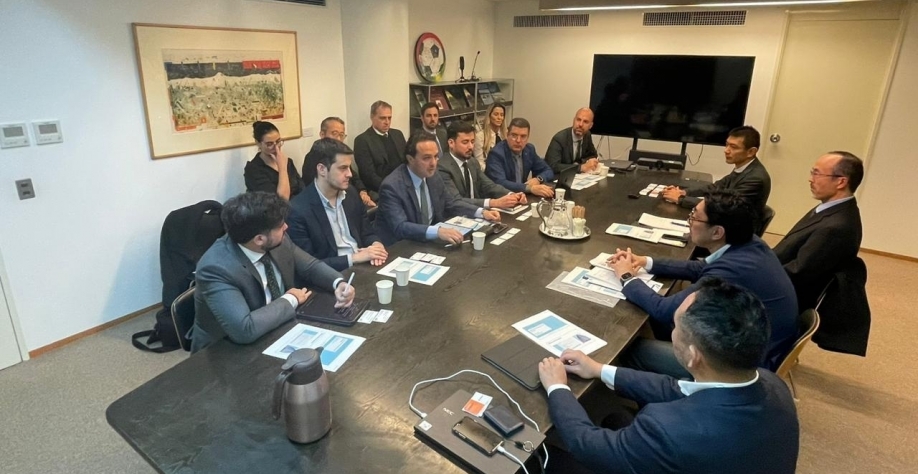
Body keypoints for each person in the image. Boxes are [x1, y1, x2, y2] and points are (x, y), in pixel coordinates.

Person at [538, 278, 799, 474]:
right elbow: (677, 388)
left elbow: (586, 445)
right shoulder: (771, 383)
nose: (673, 332)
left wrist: (558, 388)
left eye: (676, 327)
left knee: (541, 457)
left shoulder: (668, 429)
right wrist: (599, 369)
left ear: (693, 356)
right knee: (616, 418)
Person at [611, 190, 797, 375]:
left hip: (747, 365)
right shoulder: (748, 242)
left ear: (717, 232)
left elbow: (664, 310)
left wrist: (627, 277)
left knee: (631, 351)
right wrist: (645, 261)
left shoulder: (733, 269)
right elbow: (700, 268)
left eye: (694, 217)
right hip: (751, 337)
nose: (689, 222)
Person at [190, 192, 355, 353]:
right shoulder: (216, 268)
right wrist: (291, 299)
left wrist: (338, 282)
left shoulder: (276, 239)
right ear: (259, 239)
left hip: (278, 328)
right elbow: (245, 329)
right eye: (280, 226)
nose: (286, 227)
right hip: (225, 351)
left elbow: (310, 266)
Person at [774, 151, 864, 311]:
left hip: (784, 299)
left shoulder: (836, 227)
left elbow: (798, 273)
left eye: (817, 174)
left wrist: (755, 273)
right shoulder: (832, 209)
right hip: (779, 277)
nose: (811, 179)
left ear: (841, 182)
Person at [376, 132, 501, 245]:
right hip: (400, 246)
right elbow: (400, 227)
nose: (433, 163)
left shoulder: (433, 175)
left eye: (436, 156)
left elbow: (451, 202)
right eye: (426, 158)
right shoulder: (392, 186)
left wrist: (481, 212)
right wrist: (437, 231)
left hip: (429, 242)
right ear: (410, 159)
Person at [287, 138, 387, 272]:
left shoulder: (350, 193)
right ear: (322, 169)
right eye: (343, 168)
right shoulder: (298, 209)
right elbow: (308, 265)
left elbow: (367, 232)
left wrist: (376, 245)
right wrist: (354, 258)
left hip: (364, 265)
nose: (350, 174)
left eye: (349, 167)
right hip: (333, 275)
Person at [661, 125, 771, 214]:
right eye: (727, 145)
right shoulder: (744, 168)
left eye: (733, 147)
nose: (726, 150)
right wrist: (684, 192)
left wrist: (680, 199)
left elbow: (726, 207)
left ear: (751, 152)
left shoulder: (755, 178)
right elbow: (715, 187)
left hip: (736, 229)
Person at [438, 121, 527, 210]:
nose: (470, 147)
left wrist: (512, 195)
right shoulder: (442, 167)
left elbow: (489, 185)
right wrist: (493, 202)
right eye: (465, 142)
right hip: (456, 215)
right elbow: (456, 200)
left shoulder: (472, 162)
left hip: (478, 212)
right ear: (451, 143)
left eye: (472, 142)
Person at [302, 117, 376, 208]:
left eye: (341, 135)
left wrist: (362, 191)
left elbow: (354, 176)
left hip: (349, 195)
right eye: (334, 134)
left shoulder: (341, 155)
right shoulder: (313, 157)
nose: (338, 139)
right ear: (322, 135)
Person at [485, 117, 555, 198]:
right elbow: (500, 182)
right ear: (507, 135)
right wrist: (529, 188)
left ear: (528, 137)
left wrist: (538, 179)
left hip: (521, 197)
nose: (518, 140)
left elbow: (548, 171)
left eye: (523, 136)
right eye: (514, 135)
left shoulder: (529, 150)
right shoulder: (496, 154)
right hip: (500, 198)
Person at [353, 100, 408, 194]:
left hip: (404, 184)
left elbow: (407, 161)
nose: (387, 122)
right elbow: (368, 175)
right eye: (382, 118)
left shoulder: (397, 134)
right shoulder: (362, 140)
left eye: (389, 118)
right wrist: (391, 188)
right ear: (372, 117)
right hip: (381, 189)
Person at [244, 121, 304, 200]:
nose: (276, 147)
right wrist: (282, 168)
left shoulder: (288, 161)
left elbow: (303, 190)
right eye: (269, 144)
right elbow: (280, 200)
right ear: (258, 143)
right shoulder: (253, 169)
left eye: (278, 141)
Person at [545, 108, 600, 174]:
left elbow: (593, 155)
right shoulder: (559, 139)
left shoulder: (587, 135)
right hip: (558, 177)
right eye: (578, 120)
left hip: (576, 176)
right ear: (574, 120)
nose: (580, 124)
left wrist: (580, 163)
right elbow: (553, 166)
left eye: (585, 122)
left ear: (591, 125)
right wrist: (581, 167)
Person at [474, 103, 509, 170]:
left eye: (502, 115)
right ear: (489, 116)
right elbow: (479, 163)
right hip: (488, 172)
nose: (499, 118)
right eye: (496, 114)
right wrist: (493, 171)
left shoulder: (506, 135)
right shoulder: (480, 136)